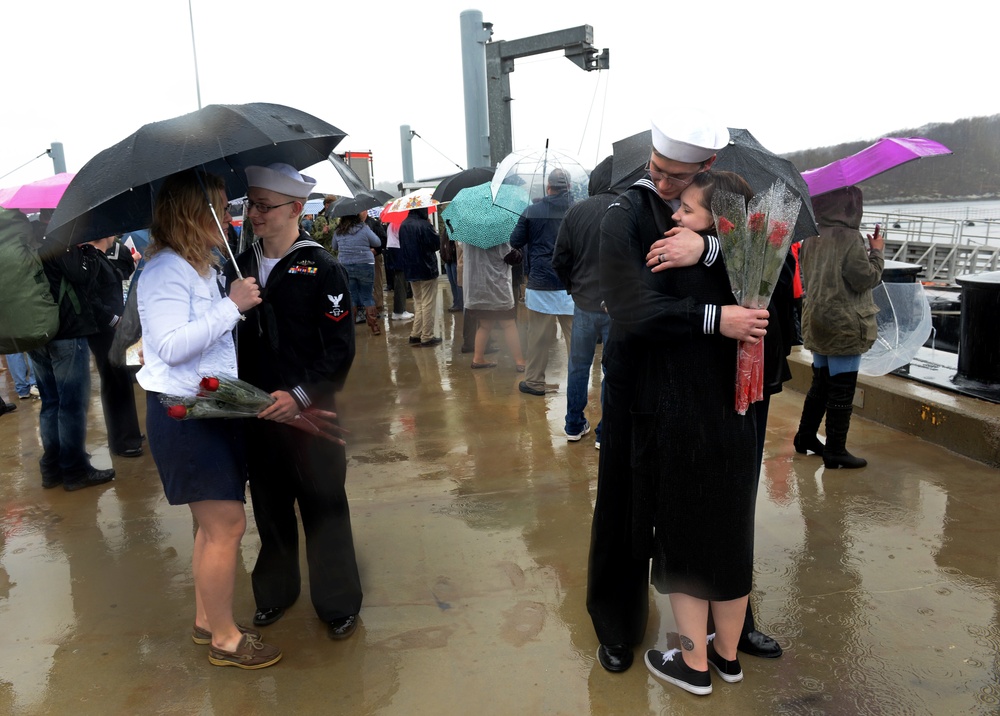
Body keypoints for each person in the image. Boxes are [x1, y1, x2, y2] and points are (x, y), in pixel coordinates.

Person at [588, 114, 770, 697]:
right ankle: (618, 624)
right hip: (643, 382)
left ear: (707, 170)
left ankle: (729, 636)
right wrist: (717, 314)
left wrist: (713, 246)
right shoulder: (624, 213)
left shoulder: (719, 218)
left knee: (721, 513)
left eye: (677, 179)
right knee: (626, 507)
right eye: (657, 171)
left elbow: (763, 267)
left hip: (721, 390)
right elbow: (626, 302)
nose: (663, 187)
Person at [136, 169, 281, 669]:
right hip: (185, 414)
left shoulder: (203, 265)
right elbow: (171, 347)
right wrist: (231, 307)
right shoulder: (164, 271)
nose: (229, 216)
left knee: (210, 526)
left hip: (212, 407)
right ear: (190, 214)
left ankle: (206, 619)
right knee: (227, 526)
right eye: (219, 207)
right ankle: (225, 638)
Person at [227, 163, 362, 641]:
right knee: (269, 508)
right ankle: (275, 593)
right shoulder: (236, 267)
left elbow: (341, 347)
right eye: (251, 205)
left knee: (324, 504)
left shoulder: (321, 268)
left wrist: (300, 396)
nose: (255, 215)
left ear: (296, 209)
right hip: (257, 414)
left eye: (264, 206)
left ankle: (339, 601)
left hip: (313, 415)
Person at [794, 186, 884, 469]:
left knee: (820, 383)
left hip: (817, 320)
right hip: (843, 323)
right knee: (842, 389)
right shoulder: (849, 238)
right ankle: (836, 450)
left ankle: (805, 436)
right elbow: (864, 279)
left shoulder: (811, 234)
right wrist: (877, 253)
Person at [29, 211, 116, 492]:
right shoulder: (59, 244)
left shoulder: (30, 244)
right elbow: (82, 277)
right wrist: (89, 251)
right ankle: (75, 470)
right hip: (67, 334)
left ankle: (51, 468)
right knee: (71, 406)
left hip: (39, 333)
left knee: (51, 403)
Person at [552, 156, 615, 443]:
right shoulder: (627, 208)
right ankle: (605, 432)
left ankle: (573, 425)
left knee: (578, 366)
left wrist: (573, 288)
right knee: (611, 368)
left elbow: (560, 259)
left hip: (584, 303)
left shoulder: (576, 212)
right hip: (618, 305)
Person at [509, 168, 575, 396]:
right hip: (572, 285)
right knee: (575, 341)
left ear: (548, 187)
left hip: (541, 282)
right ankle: (578, 384)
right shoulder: (577, 210)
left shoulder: (532, 211)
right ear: (570, 187)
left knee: (538, 338)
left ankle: (535, 382)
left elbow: (515, 241)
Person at [82, 235, 144, 457]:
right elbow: (91, 298)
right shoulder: (90, 259)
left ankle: (130, 434)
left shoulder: (99, 257)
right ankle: (122, 440)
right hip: (105, 332)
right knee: (114, 383)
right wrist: (113, 320)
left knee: (121, 381)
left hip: (114, 329)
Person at [462, 241, 525, 371]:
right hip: (497, 289)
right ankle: (520, 361)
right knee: (509, 325)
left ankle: (478, 358)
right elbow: (513, 258)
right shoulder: (498, 237)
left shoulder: (468, 238)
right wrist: (518, 250)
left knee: (484, 326)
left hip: (478, 289)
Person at [331, 209, 382, 336]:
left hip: (346, 265)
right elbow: (377, 242)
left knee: (351, 296)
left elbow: (334, 247)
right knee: (367, 295)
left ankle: (350, 328)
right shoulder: (364, 228)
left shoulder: (339, 230)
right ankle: (374, 326)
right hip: (365, 264)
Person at [398, 206, 442, 346]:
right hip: (426, 268)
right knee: (428, 303)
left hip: (411, 269)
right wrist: (431, 228)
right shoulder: (424, 225)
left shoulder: (403, 225)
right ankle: (427, 336)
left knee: (418, 302)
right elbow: (435, 245)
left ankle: (415, 334)